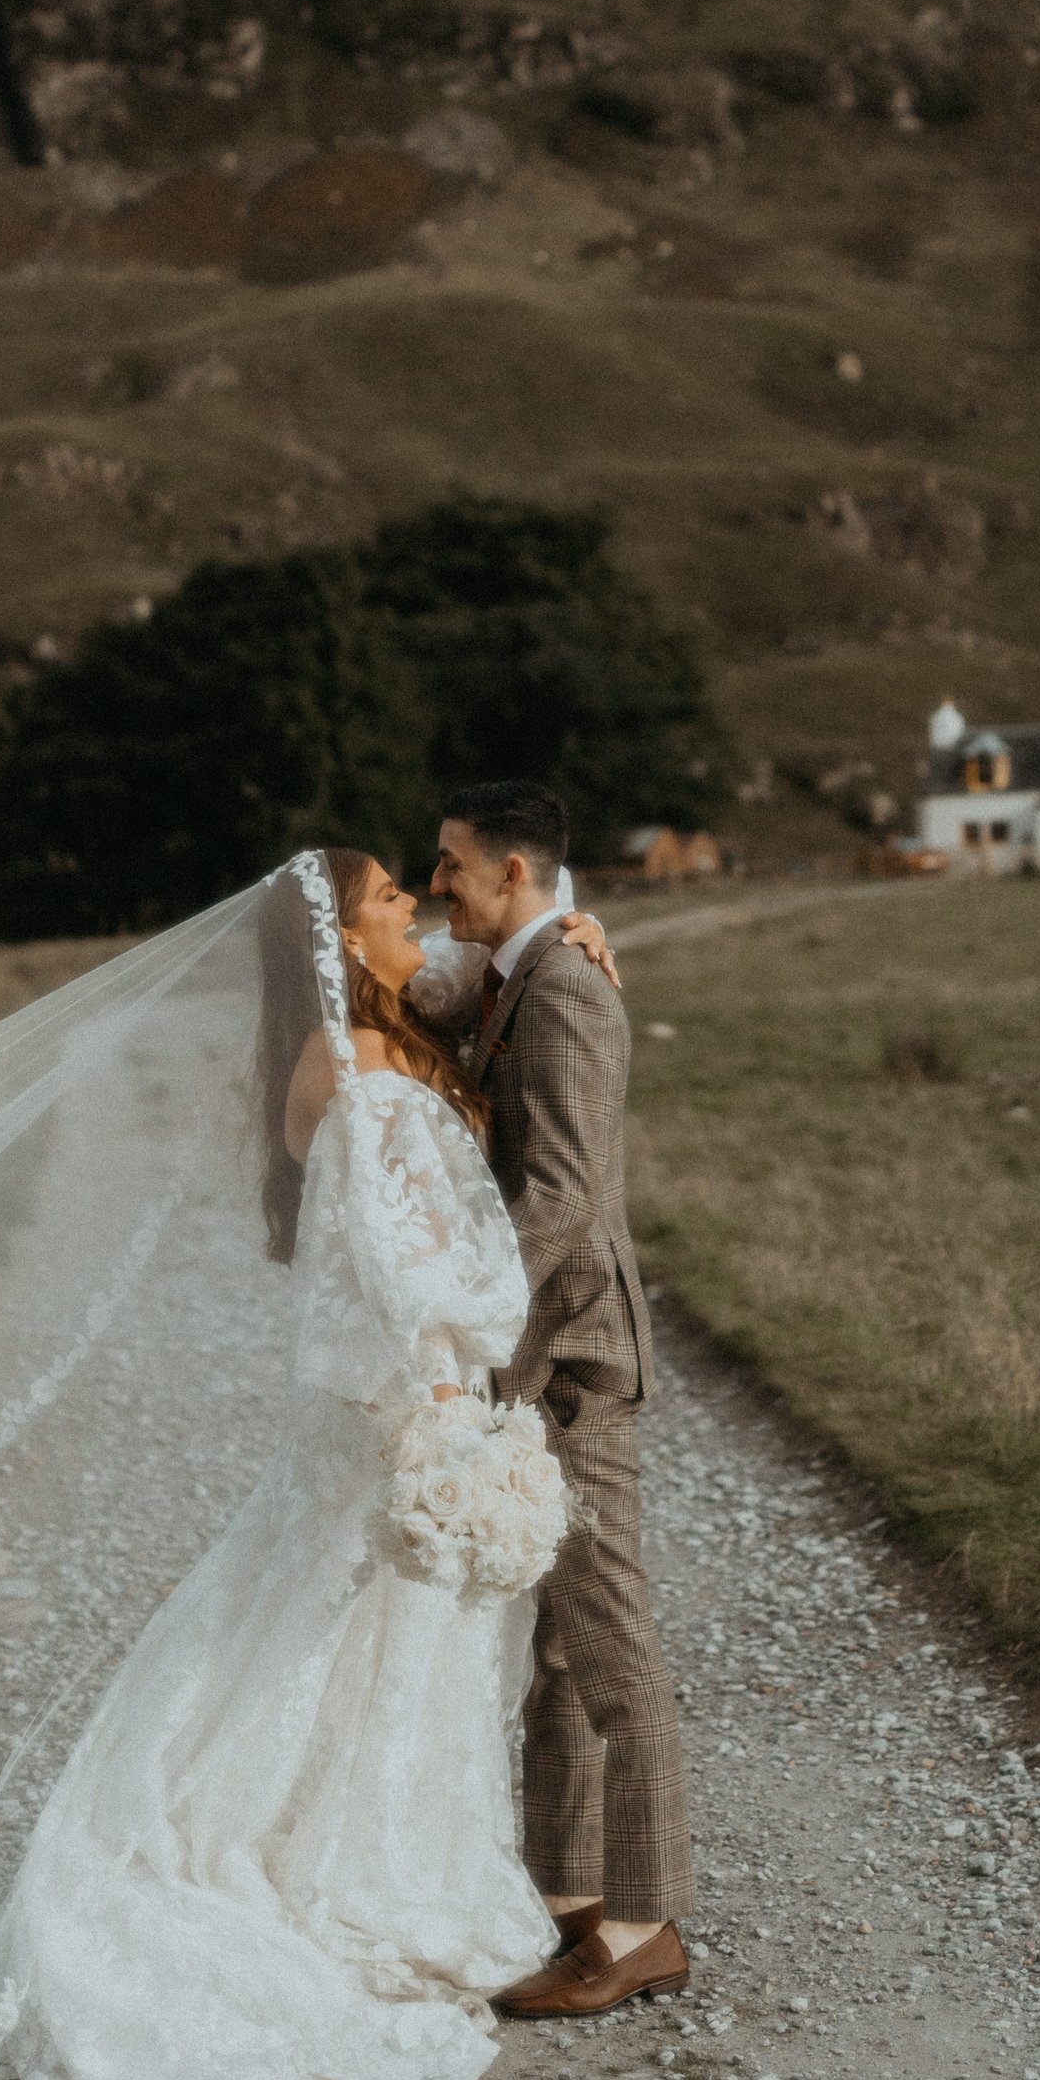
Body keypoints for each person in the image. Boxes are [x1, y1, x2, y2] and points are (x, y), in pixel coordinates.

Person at [0, 849, 554, 2080]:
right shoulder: (352, 1068)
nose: (413, 916)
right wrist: (449, 1397)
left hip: (389, 1405)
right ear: (341, 940)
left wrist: (564, 920)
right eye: (385, 907)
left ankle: (347, 1846)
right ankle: (306, 1876)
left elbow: (496, 962)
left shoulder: (369, 1033)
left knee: (347, 1643)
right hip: (399, 1403)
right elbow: (396, 1259)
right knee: (324, 1635)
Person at [429, 780, 694, 2016]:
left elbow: (568, 1196)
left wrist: (458, 1303)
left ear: (518, 872)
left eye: (453, 869)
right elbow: (398, 975)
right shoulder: (519, 970)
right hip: (541, 1359)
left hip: (574, 1358)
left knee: (610, 1643)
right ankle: (563, 1899)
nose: (439, 887)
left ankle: (641, 1923)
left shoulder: (570, 989)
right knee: (553, 1653)